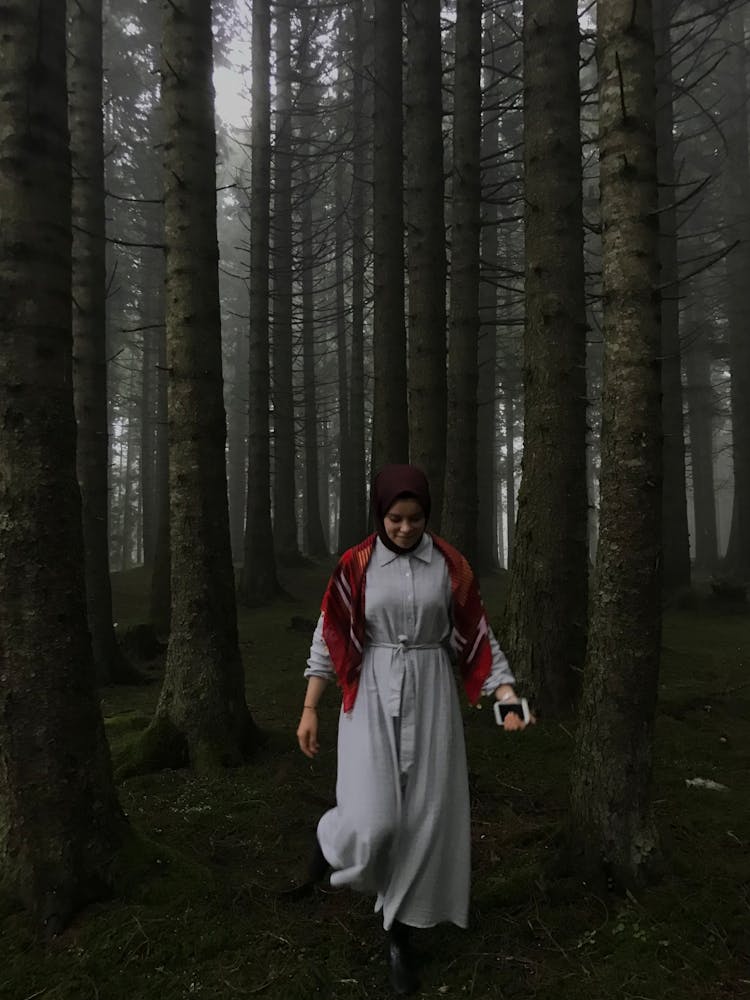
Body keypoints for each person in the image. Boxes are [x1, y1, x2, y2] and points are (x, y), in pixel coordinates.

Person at [295, 464, 531, 995]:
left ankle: (400, 935)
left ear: (428, 516)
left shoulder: (450, 566)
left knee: (424, 817)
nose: (405, 529)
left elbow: (477, 636)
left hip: (431, 693)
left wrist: (507, 698)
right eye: (395, 518)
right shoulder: (355, 565)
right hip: (370, 692)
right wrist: (310, 707)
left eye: (416, 518)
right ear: (380, 514)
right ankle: (329, 835)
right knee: (374, 820)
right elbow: (327, 635)